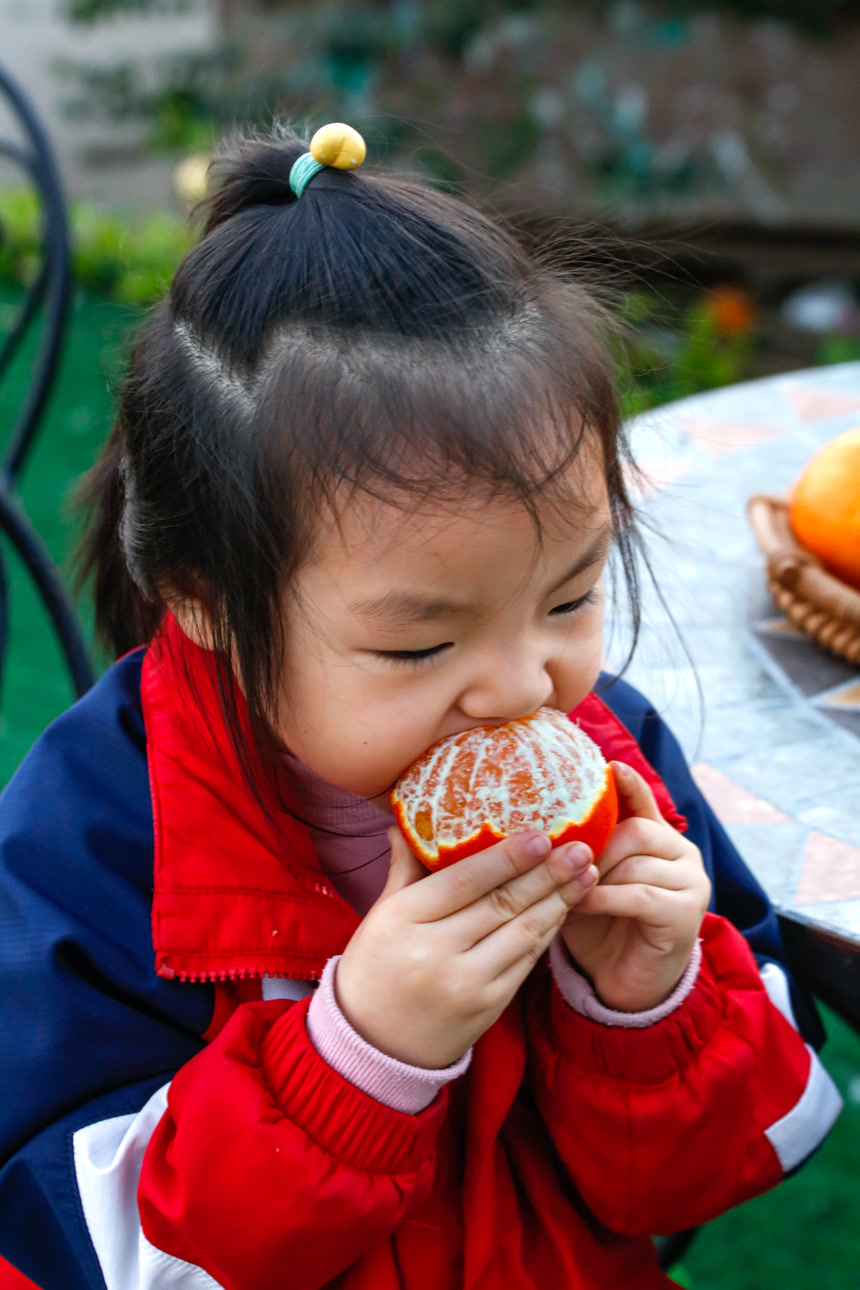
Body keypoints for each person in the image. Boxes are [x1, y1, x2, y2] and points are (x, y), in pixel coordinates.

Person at [0, 123, 842, 1290]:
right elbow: (58, 1240)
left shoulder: (616, 755)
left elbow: (755, 1144)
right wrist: (356, 1058)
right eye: (419, 643)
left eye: (569, 597)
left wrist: (651, 1006)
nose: (521, 686)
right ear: (201, 601)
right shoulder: (95, 832)